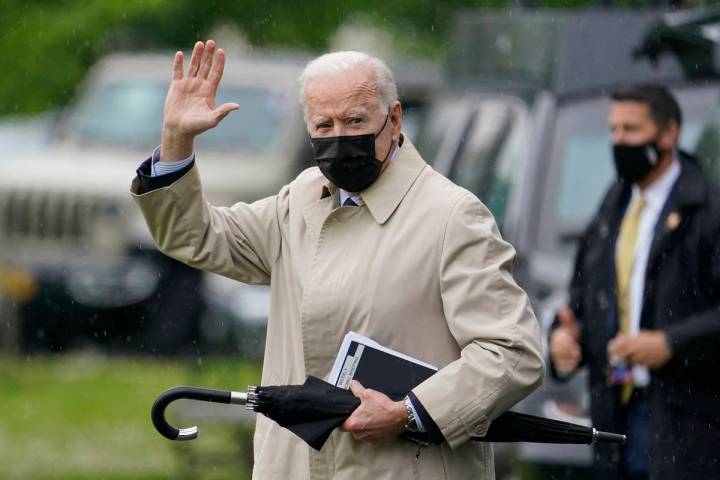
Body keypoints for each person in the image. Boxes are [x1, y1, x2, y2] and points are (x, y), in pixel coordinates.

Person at [131, 40, 544, 479]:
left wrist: (410, 411)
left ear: (395, 119)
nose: (339, 137)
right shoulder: (300, 199)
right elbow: (194, 236)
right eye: (323, 125)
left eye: (354, 120)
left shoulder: (452, 216)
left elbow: (512, 353)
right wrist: (177, 140)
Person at [549, 84, 720, 480]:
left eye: (631, 130)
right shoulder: (612, 209)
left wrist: (671, 344)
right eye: (613, 130)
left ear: (669, 134)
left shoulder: (707, 211)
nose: (618, 141)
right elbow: (580, 300)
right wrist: (562, 340)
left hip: (688, 422)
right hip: (615, 415)